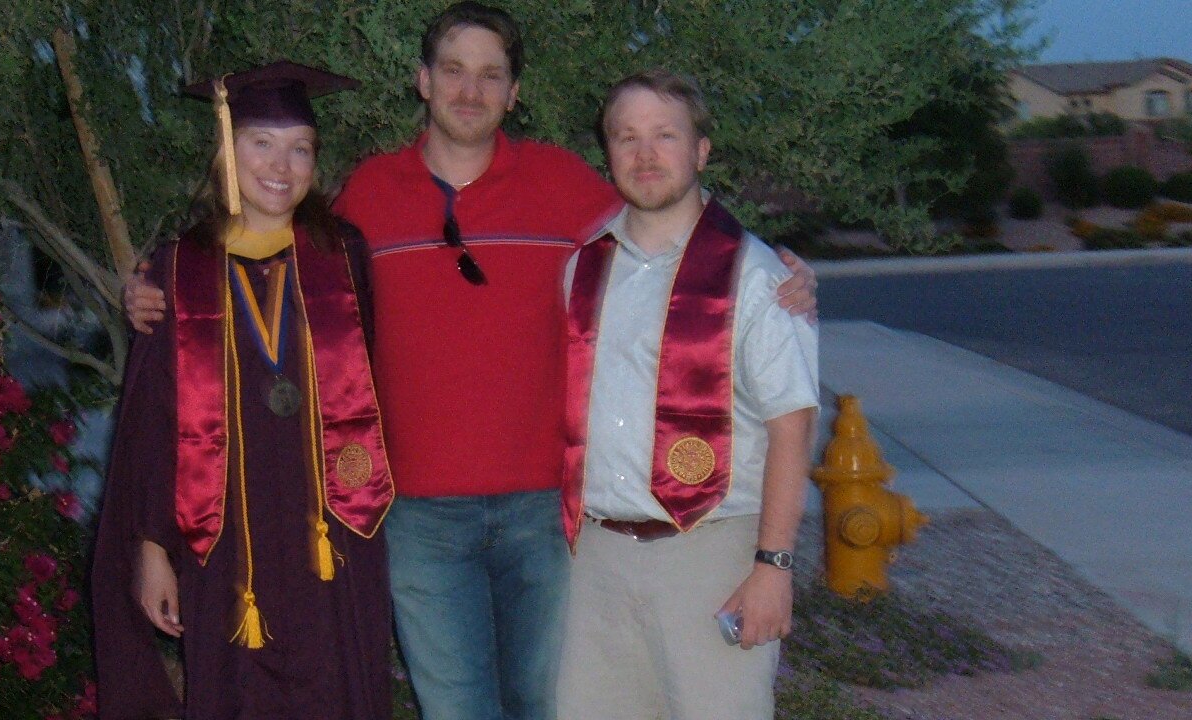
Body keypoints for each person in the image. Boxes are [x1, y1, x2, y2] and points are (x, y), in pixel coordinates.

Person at [123, 5, 818, 719]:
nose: (470, 90)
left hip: (545, 511)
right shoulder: (368, 196)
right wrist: (157, 287)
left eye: (491, 75)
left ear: (514, 93)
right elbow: (280, 272)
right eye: (454, 70)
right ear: (423, 81)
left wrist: (777, 271)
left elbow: (668, 217)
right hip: (418, 513)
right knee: (456, 709)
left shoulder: (565, 185)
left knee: (550, 704)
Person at [90, 61, 397, 720]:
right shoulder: (181, 268)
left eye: (300, 148)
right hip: (224, 538)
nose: (281, 166)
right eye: (262, 143)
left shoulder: (343, 256)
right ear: (227, 150)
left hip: (333, 533)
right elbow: (153, 420)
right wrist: (152, 549)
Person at [555, 69, 819, 720]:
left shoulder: (756, 276)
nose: (645, 154)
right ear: (608, 152)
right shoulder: (582, 268)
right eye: (627, 137)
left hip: (712, 554)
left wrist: (774, 566)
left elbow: (792, 427)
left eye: (665, 135)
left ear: (700, 150)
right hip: (596, 558)